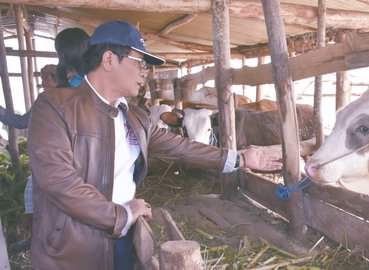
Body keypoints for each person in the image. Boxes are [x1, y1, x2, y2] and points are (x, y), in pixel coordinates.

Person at [27, 19, 282, 270]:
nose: (144, 72)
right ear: (108, 60)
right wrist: (121, 214)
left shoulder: (134, 117)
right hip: (72, 249)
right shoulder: (54, 106)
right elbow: (58, 180)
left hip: (123, 238)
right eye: (139, 62)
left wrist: (239, 159)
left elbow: (180, 147)